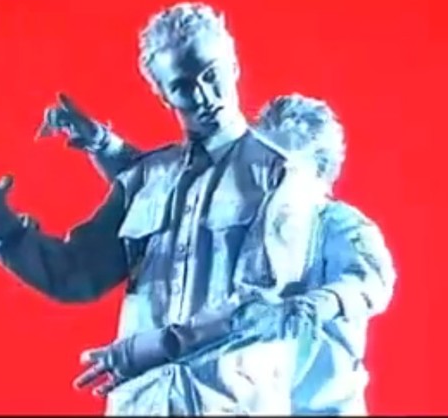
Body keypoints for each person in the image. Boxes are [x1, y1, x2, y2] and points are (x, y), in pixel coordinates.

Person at [0, 2, 392, 415]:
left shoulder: (281, 176)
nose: (204, 96)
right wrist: (4, 231)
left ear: (233, 66)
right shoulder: (147, 177)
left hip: (232, 404)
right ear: (163, 94)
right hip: (142, 403)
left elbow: (259, 307)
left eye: (211, 75)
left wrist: (151, 348)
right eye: (183, 86)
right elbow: (77, 274)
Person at [40, 93, 397, 415]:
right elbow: (167, 189)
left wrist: (315, 305)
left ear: (319, 174)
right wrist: (103, 144)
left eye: (284, 166)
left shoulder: (336, 222)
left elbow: (369, 280)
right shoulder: (249, 215)